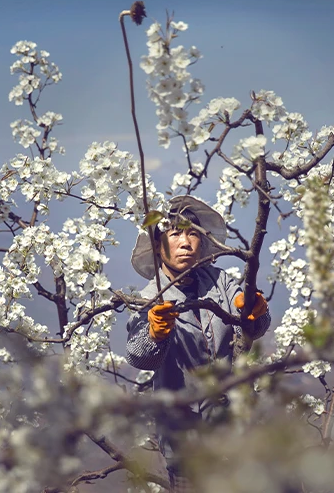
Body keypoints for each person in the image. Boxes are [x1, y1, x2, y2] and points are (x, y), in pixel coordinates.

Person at [126, 195, 271, 491]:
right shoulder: (150, 298)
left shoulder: (221, 282)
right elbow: (138, 356)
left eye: (193, 232)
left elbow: (254, 328)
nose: (186, 242)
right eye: (175, 233)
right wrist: (155, 334)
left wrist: (254, 312)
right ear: (157, 244)